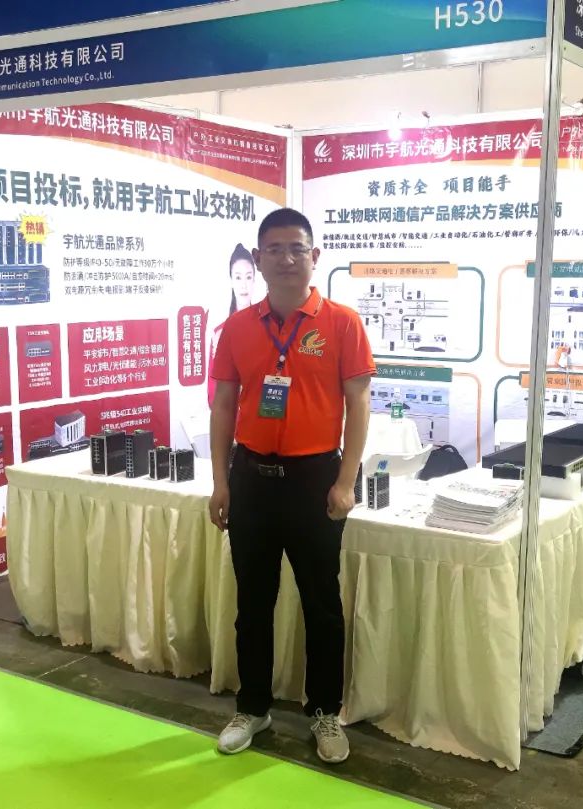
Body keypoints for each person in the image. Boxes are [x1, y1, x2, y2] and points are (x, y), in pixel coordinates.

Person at [208, 207, 375, 763]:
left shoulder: (342, 323)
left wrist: (345, 481)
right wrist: (220, 482)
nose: (286, 259)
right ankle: (252, 707)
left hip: (314, 481)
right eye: (274, 249)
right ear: (258, 259)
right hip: (251, 480)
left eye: (296, 248)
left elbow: (358, 403)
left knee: (321, 603)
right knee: (252, 603)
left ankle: (324, 711)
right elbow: (224, 406)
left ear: (314, 256)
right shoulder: (237, 327)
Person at [207, 244, 257, 406]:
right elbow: (213, 394)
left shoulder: (269, 327)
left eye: (248, 277)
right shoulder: (220, 333)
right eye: (238, 277)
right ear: (231, 281)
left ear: (254, 280)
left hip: (261, 415)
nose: (244, 285)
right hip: (231, 416)